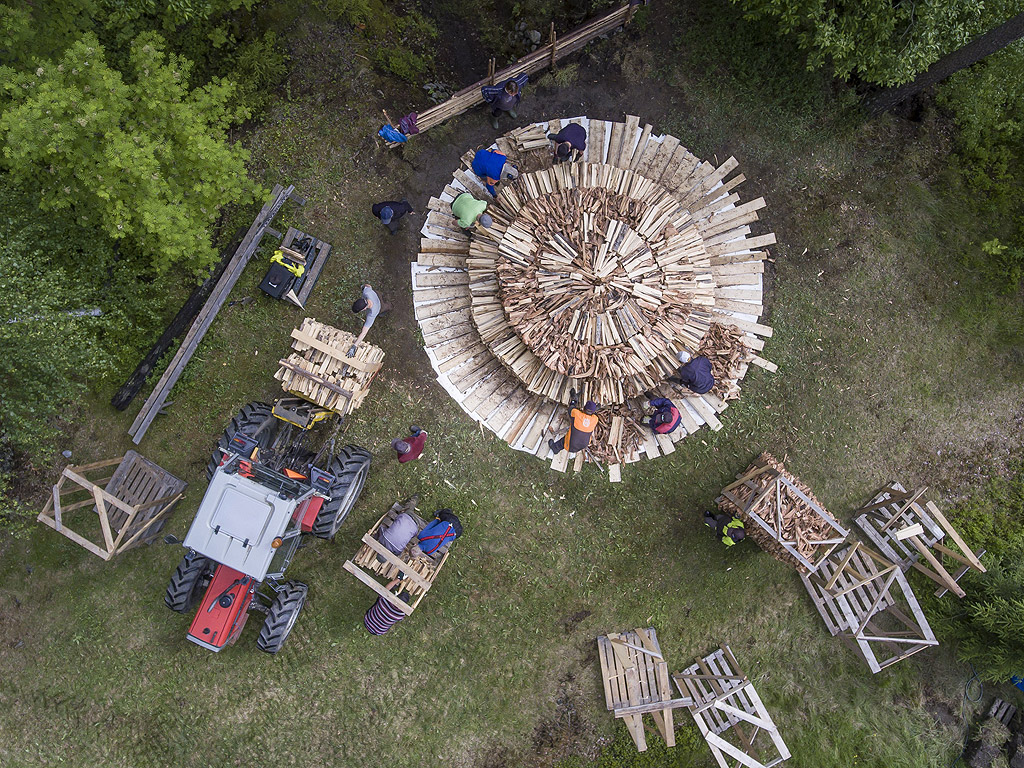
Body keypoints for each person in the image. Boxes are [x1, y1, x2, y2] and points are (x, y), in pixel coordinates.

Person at [348, 283, 387, 356]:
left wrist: (354, 346)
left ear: (364, 309)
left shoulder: (372, 314)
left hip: (380, 307)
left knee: (386, 308)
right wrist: (363, 286)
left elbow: (364, 332)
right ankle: (382, 296)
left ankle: (387, 308)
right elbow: (368, 285)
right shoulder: (366, 292)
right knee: (379, 295)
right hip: (376, 294)